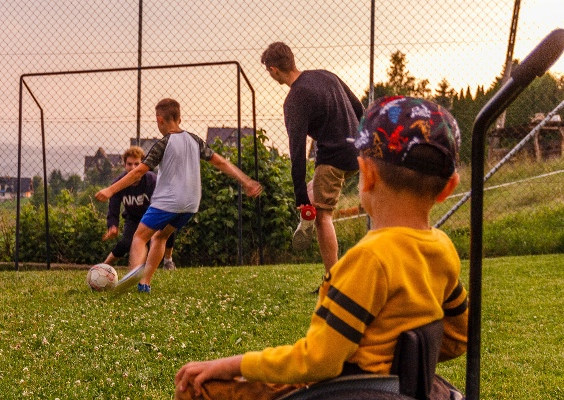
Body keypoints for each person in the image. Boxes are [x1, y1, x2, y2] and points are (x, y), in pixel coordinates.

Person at [174, 96, 469, 400]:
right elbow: (458, 337)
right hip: (406, 388)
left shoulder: (370, 259)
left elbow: (319, 361)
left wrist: (233, 364)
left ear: (366, 175)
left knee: (200, 387)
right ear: (449, 187)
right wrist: (401, 364)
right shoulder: (443, 249)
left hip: (353, 391)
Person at [96, 98, 262, 293]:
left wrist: (110, 189)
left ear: (159, 120)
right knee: (161, 236)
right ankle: (144, 284)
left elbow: (138, 172)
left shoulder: (163, 143)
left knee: (139, 237)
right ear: (179, 118)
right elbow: (221, 162)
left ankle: (133, 273)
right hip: (191, 203)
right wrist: (246, 181)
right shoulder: (195, 140)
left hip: (168, 201)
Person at [261, 42, 364, 277]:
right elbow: (358, 107)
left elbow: (296, 151)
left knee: (323, 215)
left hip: (333, 158)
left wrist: (300, 199)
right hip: (356, 151)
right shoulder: (327, 76)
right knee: (316, 188)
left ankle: (333, 279)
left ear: (274, 70)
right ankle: (307, 216)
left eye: (269, 71)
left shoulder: (295, 100)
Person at [102, 146, 177, 270]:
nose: (133, 168)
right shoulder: (118, 184)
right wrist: (112, 226)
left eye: (137, 164)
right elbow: (113, 210)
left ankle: (168, 261)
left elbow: (160, 205)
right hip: (133, 218)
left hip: (153, 216)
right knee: (126, 243)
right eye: (129, 164)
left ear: (143, 164)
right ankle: (103, 266)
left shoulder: (152, 181)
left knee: (169, 226)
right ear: (124, 165)